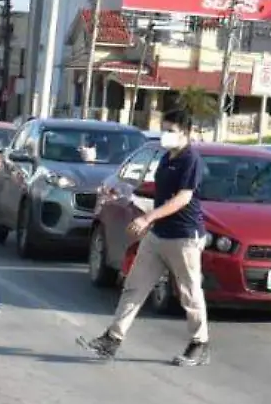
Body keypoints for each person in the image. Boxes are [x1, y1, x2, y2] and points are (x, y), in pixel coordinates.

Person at [78, 110, 209, 367]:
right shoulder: (165, 159)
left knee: (189, 292)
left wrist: (148, 219)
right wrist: (125, 195)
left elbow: (183, 198)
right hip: (158, 234)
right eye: (165, 128)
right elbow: (156, 192)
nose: (166, 134)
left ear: (186, 133)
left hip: (184, 237)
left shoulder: (191, 160)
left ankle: (199, 343)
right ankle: (112, 339)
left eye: (172, 130)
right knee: (135, 286)